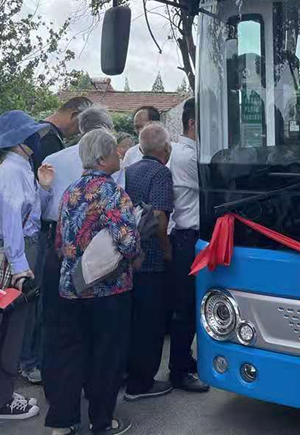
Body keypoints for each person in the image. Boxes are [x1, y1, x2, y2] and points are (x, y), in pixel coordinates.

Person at [45, 129, 141, 435]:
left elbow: (60, 241)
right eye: (114, 151)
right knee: (106, 355)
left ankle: (62, 422)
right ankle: (101, 421)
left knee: (70, 353)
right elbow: (127, 241)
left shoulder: (70, 191)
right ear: (101, 159)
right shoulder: (112, 192)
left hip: (71, 286)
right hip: (108, 288)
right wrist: (135, 254)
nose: (119, 155)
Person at [39, 107, 119, 409]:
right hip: (100, 255)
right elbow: (119, 217)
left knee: (60, 330)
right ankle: (97, 402)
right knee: (100, 333)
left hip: (59, 247)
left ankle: (59, 400)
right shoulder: (110, 164)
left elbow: (40, 206)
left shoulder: (54, 160)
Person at [0, 111, 55, 420]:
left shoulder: (19, 167)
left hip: (22, 249)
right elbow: (13, 223)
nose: (35, 139)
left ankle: (2, 393)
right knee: (13, 328)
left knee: (15, 326)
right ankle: (0, 400)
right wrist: (20, 269)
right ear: (19, 140)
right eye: (31, 135)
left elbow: (28, 214)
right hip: (20, 252)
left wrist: (43, 188)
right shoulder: (12, 171)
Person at [20, 95, 92, 384]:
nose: (78, 132)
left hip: (43, 230)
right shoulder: (47, 140)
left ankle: (34, 359)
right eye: (79, 125)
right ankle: (32, 360)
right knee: (40, 299)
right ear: (74, 115)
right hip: (46, 230)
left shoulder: (43, 136)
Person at [124, 123, 174, 401]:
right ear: (165, 148)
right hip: (151, 258)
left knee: (132, 320)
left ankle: (129, 374)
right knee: (151, 323)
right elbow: (159, 217)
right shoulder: (161, 173)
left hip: (128, 257)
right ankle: (142, 383)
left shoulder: (129, 171)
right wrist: (167, 250)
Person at [166, 98, 209, 392]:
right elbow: (212, 186)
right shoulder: (188, 157)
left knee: (193, 305)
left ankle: (186, 360)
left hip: (191, 238)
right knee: (185, 308)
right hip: (186, 239)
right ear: (193, 123)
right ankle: (179, 370)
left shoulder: (189, 153)